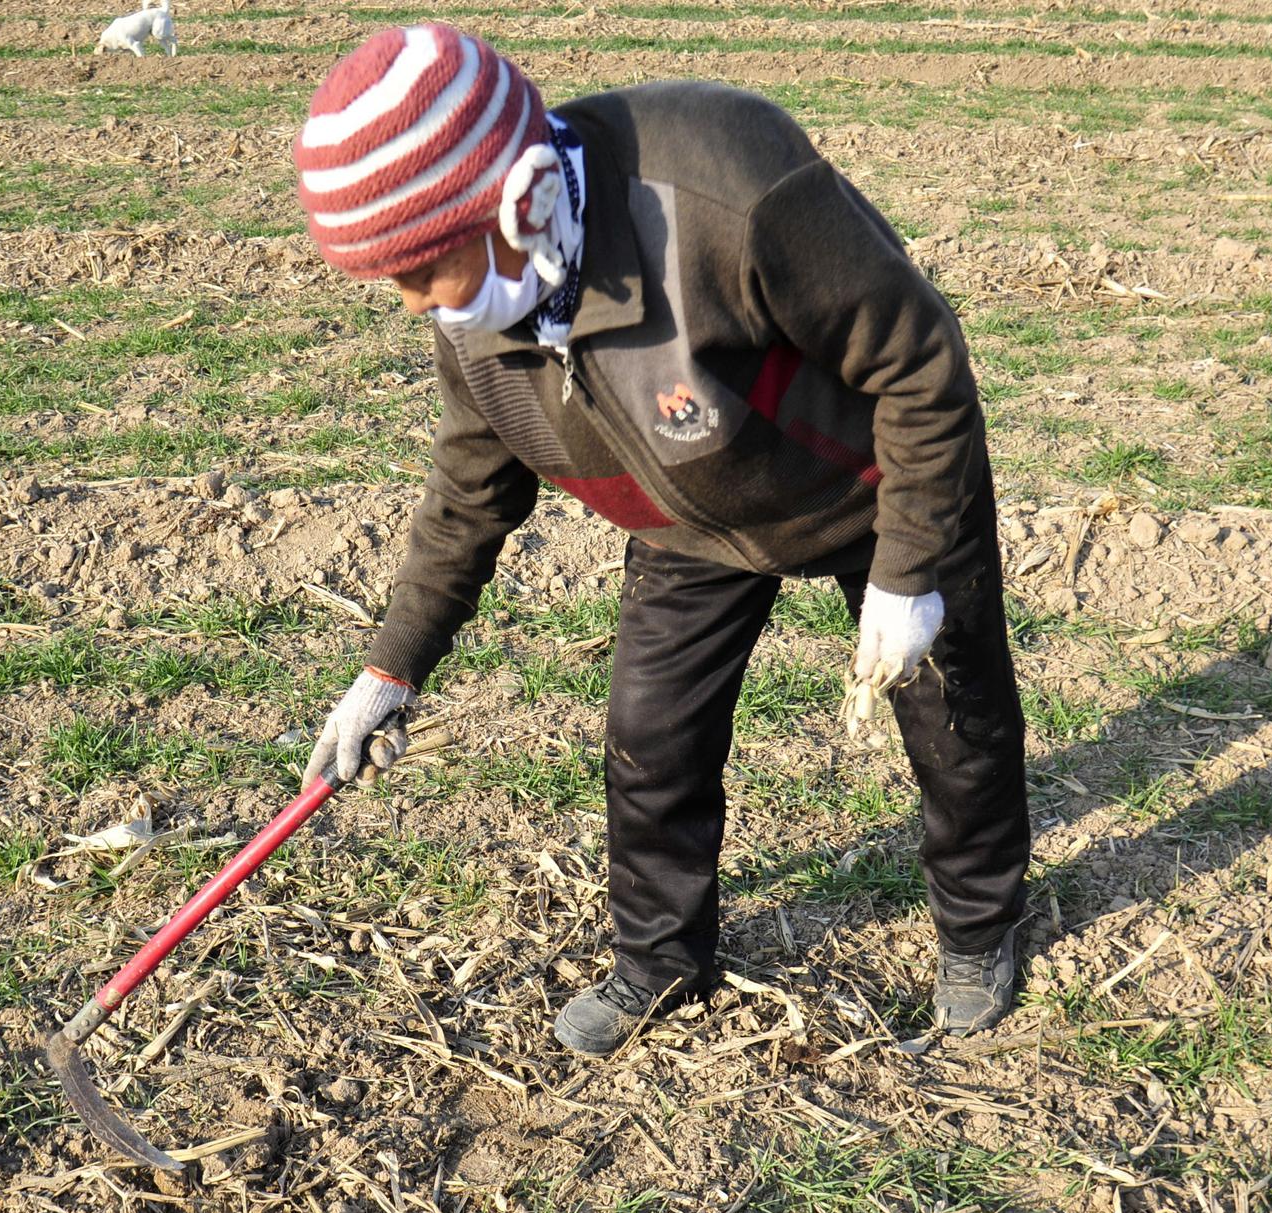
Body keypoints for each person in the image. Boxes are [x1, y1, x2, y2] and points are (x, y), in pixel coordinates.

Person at [294, 23, 1030, 1055]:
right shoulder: (479, 315)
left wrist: (907, 573)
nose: (414, 301)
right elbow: (469, 490)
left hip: (878, 481)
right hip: (691, 513)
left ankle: (980, 926)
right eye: (394, 279)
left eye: (424, 269)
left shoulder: (725, 185)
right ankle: (660, 959)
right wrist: (391, 667)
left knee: (953, 719)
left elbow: (919, 367)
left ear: (520, 203)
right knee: (651, 740)